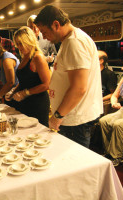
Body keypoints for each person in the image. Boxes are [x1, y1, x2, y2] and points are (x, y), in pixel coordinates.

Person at [34, 5, 103, 148]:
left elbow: (79, 88)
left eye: (44, 31)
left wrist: (57, 116)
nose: (43, 37)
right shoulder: (70, 40)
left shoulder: (74, 42)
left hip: (75, 119)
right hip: (71, 117)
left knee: (75, 163)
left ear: (56, 24)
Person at [99, 53, 123, 166]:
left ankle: (118, 157)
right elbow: (114, 95)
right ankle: (109, 153)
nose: (122, 68)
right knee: (103, 121)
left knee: (119, 124)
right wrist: (114, 103)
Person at [6, 26, 50, 126]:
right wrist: (14, 92)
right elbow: (24, 82)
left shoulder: (37, 57)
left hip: (38, 103)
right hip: (25, 102)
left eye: (21, 43)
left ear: (29, 40)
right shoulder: (25, 56)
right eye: (17, 44)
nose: (19, 47)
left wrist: (25, 93)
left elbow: (47, 84)